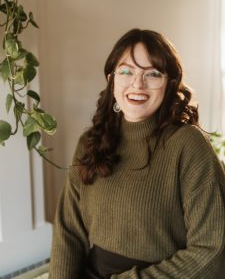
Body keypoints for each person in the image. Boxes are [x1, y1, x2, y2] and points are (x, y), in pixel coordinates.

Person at [48, 29, 225, 279]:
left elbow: (213, 249)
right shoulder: (90, 142)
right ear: (112, 79)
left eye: (152, 73)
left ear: (169, 83)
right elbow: (68, 234)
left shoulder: (188, 145)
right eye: (126, 71)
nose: (137, 83)